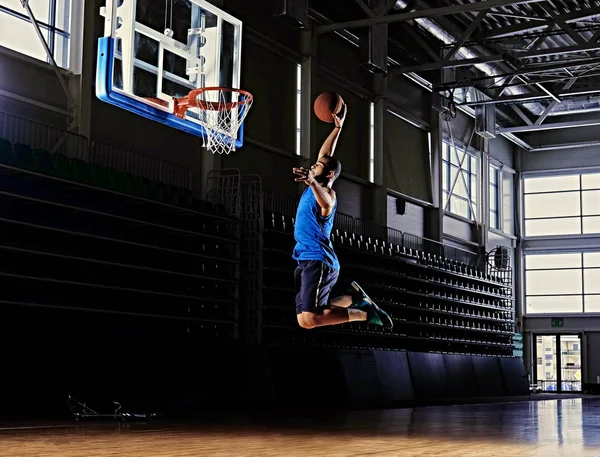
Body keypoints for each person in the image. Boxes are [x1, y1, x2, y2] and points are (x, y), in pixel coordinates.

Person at [291, 104, 393, 330]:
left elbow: (326, 205)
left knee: (309, 320)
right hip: (307, 258)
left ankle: (365, 313)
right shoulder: (316, 184)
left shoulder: (327, 193)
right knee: (307, 319)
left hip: (318, 259)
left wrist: (310, 181)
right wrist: (338, 127)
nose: (313, 165)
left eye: (316, 167)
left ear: (327, 174)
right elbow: (326, 155)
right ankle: (351, 298)